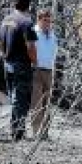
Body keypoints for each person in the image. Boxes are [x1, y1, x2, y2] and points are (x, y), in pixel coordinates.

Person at [0, 0, 38, 141]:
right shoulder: (26, 23)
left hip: (7, 63)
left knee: (13, 96)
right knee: (21, 99)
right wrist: (35, 62)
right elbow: (30, 46)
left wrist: (5, 56)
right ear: (28, 6)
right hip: (22, 64)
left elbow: (0, 43)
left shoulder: (5, 21)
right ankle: (17, 131)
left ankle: (15, 128)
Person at [31, 9, 58, 140]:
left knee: (47, 103)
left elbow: (54, 52)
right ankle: (36, 132)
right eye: (45, 20)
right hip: (36, 70)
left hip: (49, 70)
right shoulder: (33, 33)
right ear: (39, 20)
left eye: (49, 21)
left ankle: (45, 132)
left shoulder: (52, 35)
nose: (47, 23)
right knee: (37, 102)